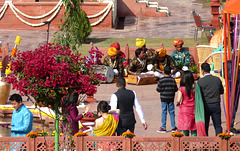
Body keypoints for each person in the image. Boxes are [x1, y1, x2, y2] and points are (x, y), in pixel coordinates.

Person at [198, 63, 224, 136]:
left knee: (205, 126)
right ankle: (219, 142)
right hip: (216, 104)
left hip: (205, 105)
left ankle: (205, 144)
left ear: (202, 71)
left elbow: (199, 95)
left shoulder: (200, 81)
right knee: (218, 125)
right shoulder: (217, 79)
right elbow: (221, 91)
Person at [156, 66, 178, 133]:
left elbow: (158, 89)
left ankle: (163, 127)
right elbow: (176, 89)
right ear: (170, 72)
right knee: (172, 112)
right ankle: (173, 127)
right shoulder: (172, 80)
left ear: (164, 72)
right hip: (171, 98)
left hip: (163, 98)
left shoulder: (161, 80)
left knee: (164, 112)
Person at [176, 71, 197, 136]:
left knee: (185, 127)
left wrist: (178, 103)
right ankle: (194, 144)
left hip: (184, 109)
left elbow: (178, 100)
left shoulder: (181, 88)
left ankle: (186, 144)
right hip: (193, 108)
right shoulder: (195, 87)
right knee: (193, 127)